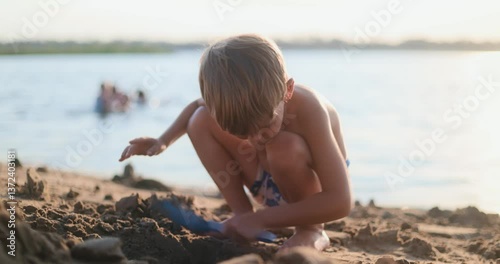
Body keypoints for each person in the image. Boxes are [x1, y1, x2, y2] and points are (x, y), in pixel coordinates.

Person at [119, 34, 351, 251]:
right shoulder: (233, 99)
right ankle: (242, 216)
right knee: (199, 121)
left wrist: (261, 219)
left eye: (264, 126)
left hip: (314, 200)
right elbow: (195, 107)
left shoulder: (310, 108)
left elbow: (341, 200)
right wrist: (163, 141)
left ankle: (311, 230)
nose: (255, 140)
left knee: (283, 146)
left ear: (287, 90)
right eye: (243, 134)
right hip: (269, 186)